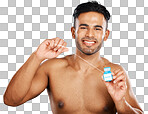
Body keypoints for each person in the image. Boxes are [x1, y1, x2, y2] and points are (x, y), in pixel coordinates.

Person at [4, 1, 143, 114]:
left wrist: (120, 102)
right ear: (73, 32)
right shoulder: (52, 69)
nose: (90, 34)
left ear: (105, 35)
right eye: (83, 27)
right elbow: (11, 100)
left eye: (97, 28)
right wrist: (37, 57)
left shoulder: (114, 72)